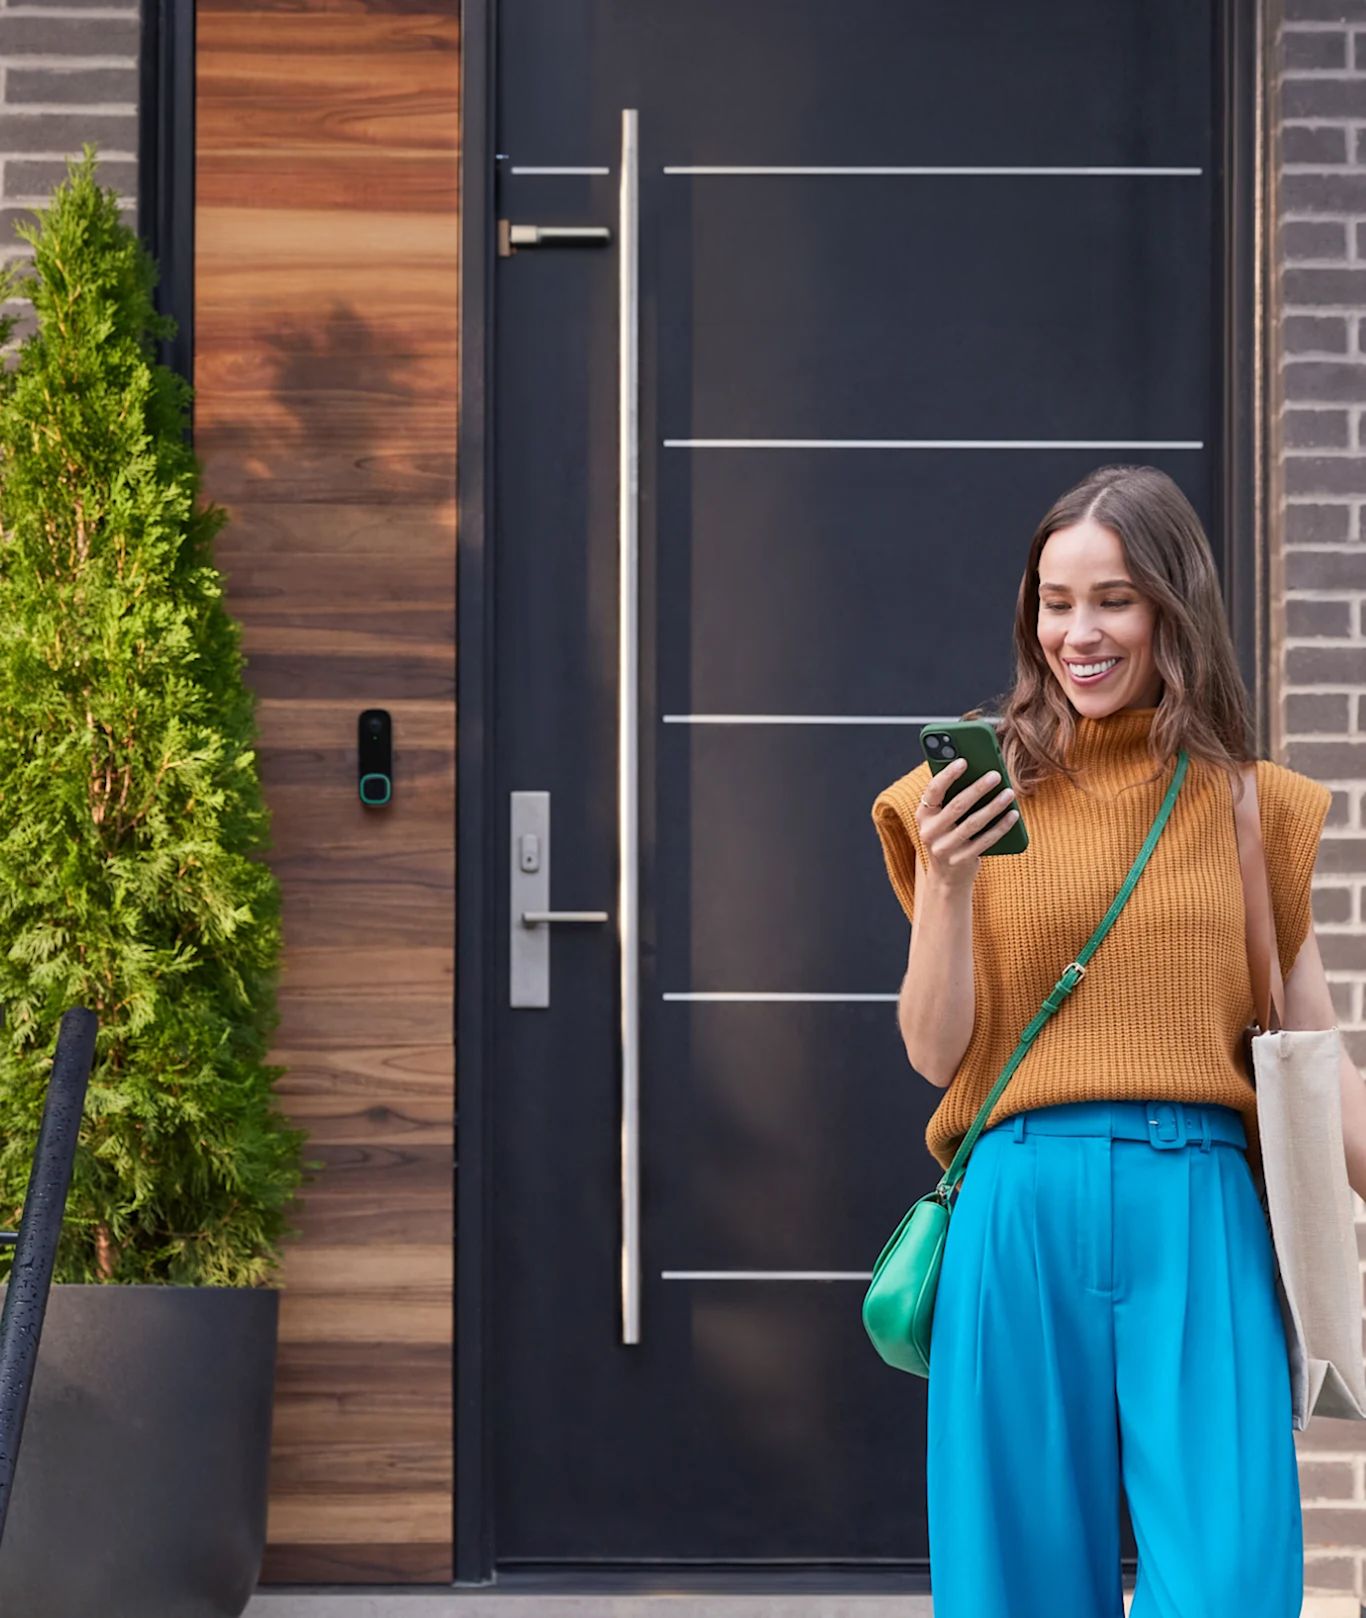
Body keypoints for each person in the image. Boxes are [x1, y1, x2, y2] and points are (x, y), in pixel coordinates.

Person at [869, 463, 1347, 1617]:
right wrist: (947, 883)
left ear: (1173, 609)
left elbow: (1315, 1062)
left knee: (1232, 1582)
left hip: (1199, 1207)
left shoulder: (1250, 806)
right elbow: (933, 1053)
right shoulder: (965, 795)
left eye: (1112, 600)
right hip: (1016, 1206)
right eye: (1054, 601)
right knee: (1014, 1586)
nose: (1077, 633)